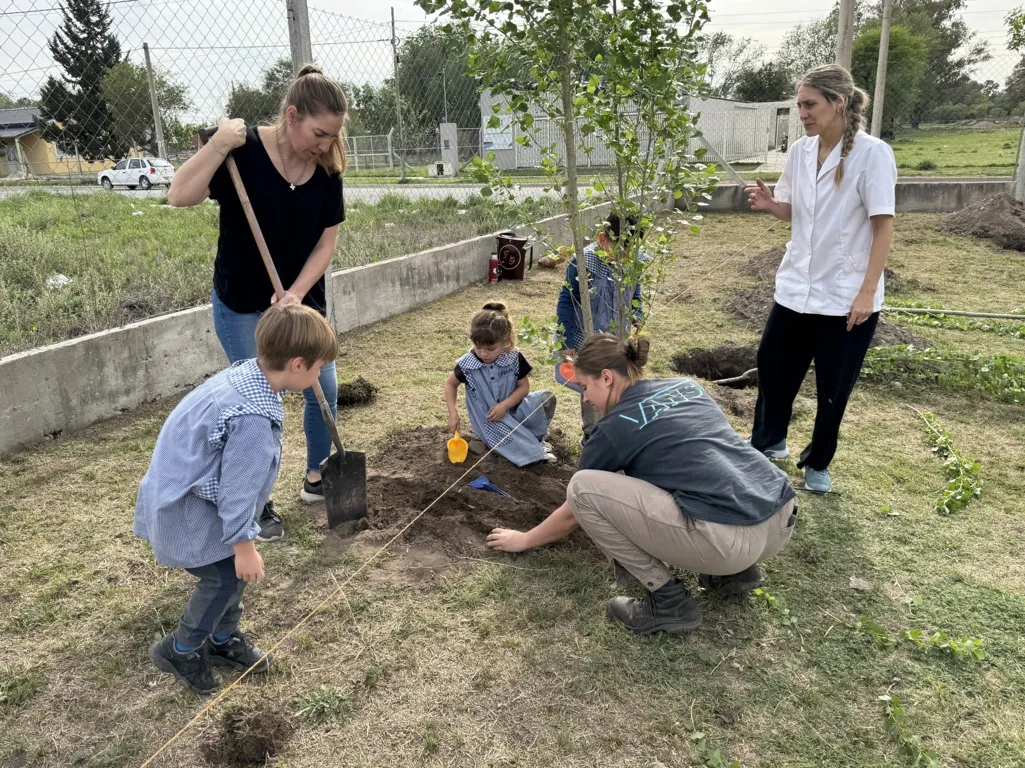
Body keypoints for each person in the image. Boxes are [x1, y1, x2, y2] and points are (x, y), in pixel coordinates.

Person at [487, 334, 797, 636]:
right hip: (779, 517)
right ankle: (736, 574)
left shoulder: (613, 429)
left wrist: (525, 539)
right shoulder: (686, 386)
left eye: (584, 386)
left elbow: (574, 510)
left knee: (583, 489)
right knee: (697, 467)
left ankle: (668, 602)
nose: (585, 398)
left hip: (728, 543)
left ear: (606, 378)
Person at [168, 64, 348, 541]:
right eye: (318, 133)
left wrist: (295, 293)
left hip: (302, 307)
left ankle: (316, 478)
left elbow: (326, 244)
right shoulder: (241, 153)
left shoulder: (328, 170)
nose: (325, 145)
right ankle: (255, 501)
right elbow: (179, 195)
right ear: (291, 116)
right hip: (243, 303)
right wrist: (218, 144)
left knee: (322, 388)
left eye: (333, 135)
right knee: (256, 403)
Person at [134, 305, 339, 694]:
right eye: (319, 368)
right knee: (227, 576)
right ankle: (181, 648)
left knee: (235, 576)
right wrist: (244, 546)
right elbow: (237, 490)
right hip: (186, 508)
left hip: (187, 493)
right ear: (297, 364)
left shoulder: (246, 375)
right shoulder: (253, 421)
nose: (319, 377)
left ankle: (223, 640)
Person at [745, 64, 897, 494]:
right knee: (774, 369)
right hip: (796, 287)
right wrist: (771, 204)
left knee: (834, 386)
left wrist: (866, 292)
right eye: (799, 106)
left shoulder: (872, 155)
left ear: (839, 103)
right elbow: (793, 210)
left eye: (810, 104)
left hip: (846, 297)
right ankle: (768, 443)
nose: (803, 114)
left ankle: (817, 462)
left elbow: (883, 226)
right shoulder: (800, 151)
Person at [556, 212, 646, 443]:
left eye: (631, 251)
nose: (625, 257)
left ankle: (614, 435)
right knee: (591, 389)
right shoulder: (583, 262)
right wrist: (566, 344)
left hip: (617, 340)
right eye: (620, 251)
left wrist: (637, 314)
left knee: (617, 387)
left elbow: (635, 292)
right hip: (586, 340)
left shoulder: (637, 261)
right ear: (602, 239)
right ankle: (591, 437)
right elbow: (567, 300)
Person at [445, 302, 558, 467]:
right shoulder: (467, 364)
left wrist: (505, 405)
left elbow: (524, 387)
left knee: (546, 399)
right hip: (491, 419)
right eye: (478, 347)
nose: (483, 353)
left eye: (490, 349)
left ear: (505, 340)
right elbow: (450, 384)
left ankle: (531, 438)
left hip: (512, 409)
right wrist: (453, 413)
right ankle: (532, 450)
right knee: (528, 455)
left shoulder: (513, 357)